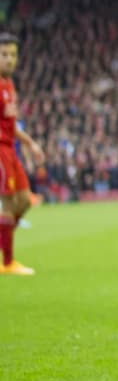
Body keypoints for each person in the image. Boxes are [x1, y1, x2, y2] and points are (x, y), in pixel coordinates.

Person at [0, 33, 44, 276]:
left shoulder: (9, 85)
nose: (9, 59)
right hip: (0, 149)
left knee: (25, 201)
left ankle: (2, 242)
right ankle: (7, 263)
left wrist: (31, 144)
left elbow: (11, 125)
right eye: (4, 54)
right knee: (7, 203)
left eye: (13, 55)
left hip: (10, 149)